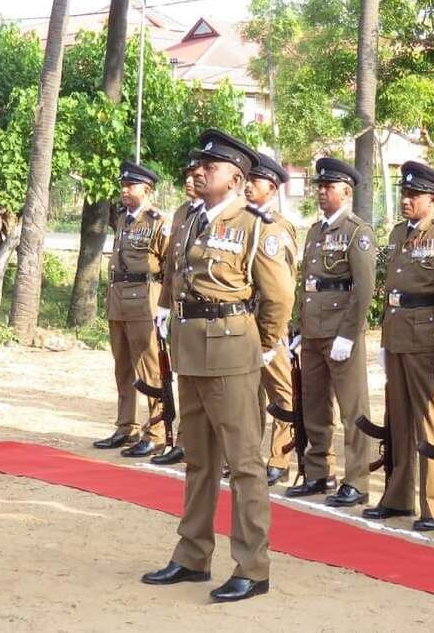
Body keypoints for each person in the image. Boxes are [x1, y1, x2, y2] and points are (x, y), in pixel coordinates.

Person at [141, 130, 293, 603]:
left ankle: (252, 566)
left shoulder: (255, 225)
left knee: (244, 463)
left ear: (237, 178)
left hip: (231, 351)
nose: (200, 171)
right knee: (199, 459)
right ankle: (192, 555)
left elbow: (279, 297)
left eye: (211, 166)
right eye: (199, 165)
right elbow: (176, 277)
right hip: (190, 349)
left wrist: (261, 345)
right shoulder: (189, 219)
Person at [362, 162, 434, 530]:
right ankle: (398, 496)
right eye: (404, 193)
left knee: (430, 420)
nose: (406, 200)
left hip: (428, 338)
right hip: (397, 335)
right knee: (398, 418)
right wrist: (384, 339)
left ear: (432, 198)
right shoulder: (397, 233)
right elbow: (392, 290)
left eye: (414, 195)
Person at [285, 158, 376, 508]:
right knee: (315, 405)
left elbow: (363, 289)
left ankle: (357, 480)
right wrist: (297, 325)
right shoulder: (314, 231)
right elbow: (306, 283)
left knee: (353, 409)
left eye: (329, 187)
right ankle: (319, 471)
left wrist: (348, 334)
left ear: (346, 192)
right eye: (319, 186)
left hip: (340, 331)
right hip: (312, 330)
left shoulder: (356, 231)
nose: (321, 192)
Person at [94, 161, 169, 457]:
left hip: (144, 299)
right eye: (122, 186)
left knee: (149, 368)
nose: (124, 190)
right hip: (118, 299)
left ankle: (157, 431)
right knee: (122, 366)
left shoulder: (157, 222)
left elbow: (169, 266)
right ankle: (126, 426)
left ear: (146, 189)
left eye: (130, 186)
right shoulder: (123, 220)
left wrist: (165, 306)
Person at [244, 153, 299, 486]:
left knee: (282, 393)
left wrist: (274, 332)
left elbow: (283, 284)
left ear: (273, 188)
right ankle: (247, 456)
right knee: (248, 394)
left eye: (256, 181)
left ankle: (280, 457)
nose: (249, 186)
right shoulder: (242, 220)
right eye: (247, 180)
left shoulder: (274, 228)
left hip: (269, 321)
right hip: (244, 319)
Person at [149, 154, 201, 467]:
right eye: (187, 175)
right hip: (181, 309)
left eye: (197, 174)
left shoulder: (220, 216)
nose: (190, 181)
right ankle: (185, 442)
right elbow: (172, 265)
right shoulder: (182, 212)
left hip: (208, 312)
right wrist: (164, 305)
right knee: (184, 380)